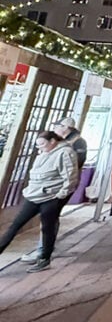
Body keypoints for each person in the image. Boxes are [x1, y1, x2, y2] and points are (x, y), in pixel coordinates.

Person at [0, 131, 79, 272]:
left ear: (53, 141)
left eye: (42, 144)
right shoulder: (43, 153)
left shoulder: (65, 152)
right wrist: (29, 190)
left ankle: (44, 259)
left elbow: (70, 176)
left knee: (47, 228)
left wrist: (62, 194)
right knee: (15, 225)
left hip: (51, 197)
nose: (39, 147)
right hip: (34, 196)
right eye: (38, 145)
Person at [20, 115, 88, 264]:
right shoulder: (62, 142)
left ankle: (42, 251)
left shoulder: (77, 142)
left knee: (49, 216)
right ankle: (45, 249)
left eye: (57, 125)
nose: (55, 128)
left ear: (65, 127)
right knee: (50, 217)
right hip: (51, 185)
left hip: (59, 186)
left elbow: (75, 165)